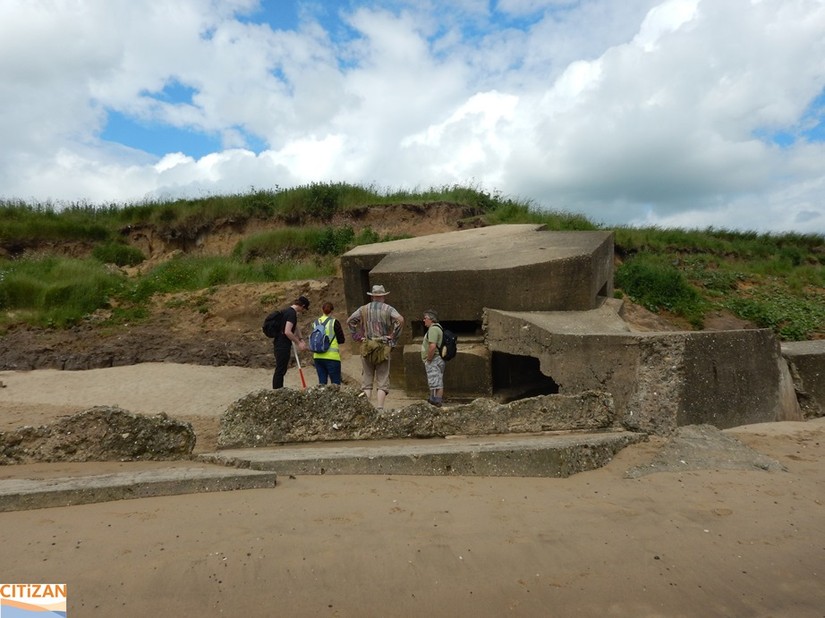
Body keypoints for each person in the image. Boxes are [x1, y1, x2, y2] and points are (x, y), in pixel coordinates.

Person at [347, 284, 405, 410]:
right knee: (382, 379)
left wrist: (356, 337)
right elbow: (400, 320)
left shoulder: (363, 309)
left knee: (367, 380)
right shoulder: (388, 309)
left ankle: (367, 408)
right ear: (383, 296)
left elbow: (350, 321)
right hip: (382, 345)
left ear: (372, 296)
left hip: (367, 345)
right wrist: (393, 337)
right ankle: (380, 408)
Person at [272, 295, 310, 389]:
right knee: (280, 369)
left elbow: (295, 326)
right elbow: (288, 331)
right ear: (303, 306)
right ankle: (277, 390)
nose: (303, 311)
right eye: (304, 309)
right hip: (282, 344)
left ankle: (278, 389)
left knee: (281, 369)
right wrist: (299, 343)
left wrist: (301, 338)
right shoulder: (291, 314)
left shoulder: (287, 311)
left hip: (278, 342)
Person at [312, 301, 346, 385]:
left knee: (322, 383)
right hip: (332, 357)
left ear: (322, 310)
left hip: (317, 356)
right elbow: (341, 339)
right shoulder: (334, 322)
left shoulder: (315, 323)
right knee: (335, 384)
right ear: (332, 311)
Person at [421, 309, 446, 407]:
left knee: (436, 382)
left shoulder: (433, 329)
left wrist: (429, 359)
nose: (424, 320)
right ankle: (433, 400)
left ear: (431, 319)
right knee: (434, 381)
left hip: (434, 359)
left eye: (425, 318)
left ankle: (437, 402)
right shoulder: (437, 328)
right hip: (437, 359)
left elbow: (432, 346)